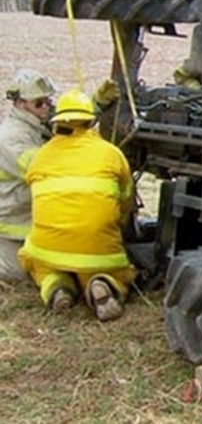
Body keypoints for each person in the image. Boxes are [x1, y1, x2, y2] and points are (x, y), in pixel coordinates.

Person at [18, 88, 135, 321]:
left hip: (46, 247)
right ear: (91, 122)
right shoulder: (111, 154)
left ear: (58, 123)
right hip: (99, 251)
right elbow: (125, 202)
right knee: (117, 273)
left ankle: (57, 288)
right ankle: (103, 283)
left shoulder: (40, 156)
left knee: (42, 268)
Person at [0, 69, 56, 282]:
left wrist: (97, 105)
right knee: (22, 272)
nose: (47, 107)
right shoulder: (11, 138)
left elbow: (74, 122)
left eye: (48, 101)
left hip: (31, 224)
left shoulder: (36, 125)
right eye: (39, 103)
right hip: (11, 230)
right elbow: (42, 168)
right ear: (20, 103)